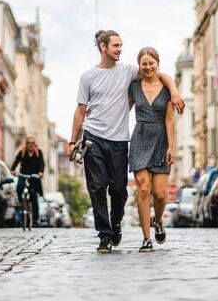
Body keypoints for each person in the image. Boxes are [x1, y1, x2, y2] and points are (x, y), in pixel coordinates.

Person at [67, 29, 184, 254]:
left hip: (120, 139)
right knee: (97, 187)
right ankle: (105, 236)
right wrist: (73, 141)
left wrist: (175, 91)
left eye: (121, 46)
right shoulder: (88, 76)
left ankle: (116, 222)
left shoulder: (129, 71)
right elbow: (80, 110)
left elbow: (159, 75)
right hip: (93, 137)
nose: (120, 49)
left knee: (119, 191)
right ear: (103, 47)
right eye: (116, 46)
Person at [128, 47, 175, 253]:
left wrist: (171, 146)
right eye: (144, 63)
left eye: (151, 63)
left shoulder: (167, 88)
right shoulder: (134, 87)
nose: (147, 67)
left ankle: (158, 221)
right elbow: (122, 109)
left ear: (157, 63)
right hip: (139, 137)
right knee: (143, 189)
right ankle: (146, 238)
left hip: (161, 139)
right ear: (139, 65)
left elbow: (170, 120)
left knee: (161, 194)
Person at [11, 136, 45, 223]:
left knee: (34, 197)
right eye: (29, 143)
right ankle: (21, 202)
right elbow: (16, 161)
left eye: (32, 143)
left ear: (35, 144)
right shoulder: (22, 152)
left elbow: (42, 163)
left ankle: (35, 219)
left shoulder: (38, 153)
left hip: (34, 176)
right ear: (26, 144)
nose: (30, 145)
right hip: (24, 175)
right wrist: (13, 170)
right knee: (19, 187)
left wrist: (41, 172)